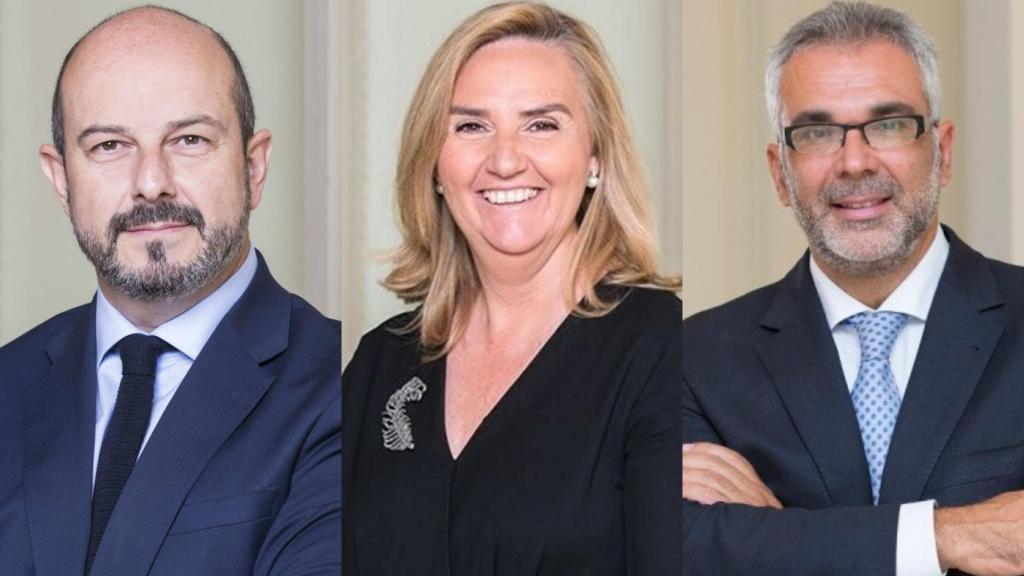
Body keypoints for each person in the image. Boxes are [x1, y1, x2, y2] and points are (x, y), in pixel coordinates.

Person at [682, 2, 1024, 575]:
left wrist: (777, 535)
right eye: (817, 133)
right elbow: (687, 551)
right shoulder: (696, 360)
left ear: (941, 153)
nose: (854, 162)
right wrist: (945, 536)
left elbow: (736, 553)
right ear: (779, 174)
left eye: (889, 124)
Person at [342, 2, 681, 574]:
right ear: (434, 165)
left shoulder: (662, 347)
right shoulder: (382, 361)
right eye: (471, 125)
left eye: (541, 124)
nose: (504, 160)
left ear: (595, 157)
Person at [0, 7, 340, 575]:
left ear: (253, 168)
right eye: (110, 146)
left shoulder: (343, 383)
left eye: (188, 139)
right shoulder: (8, 385)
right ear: (61, 180)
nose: (151, 182)